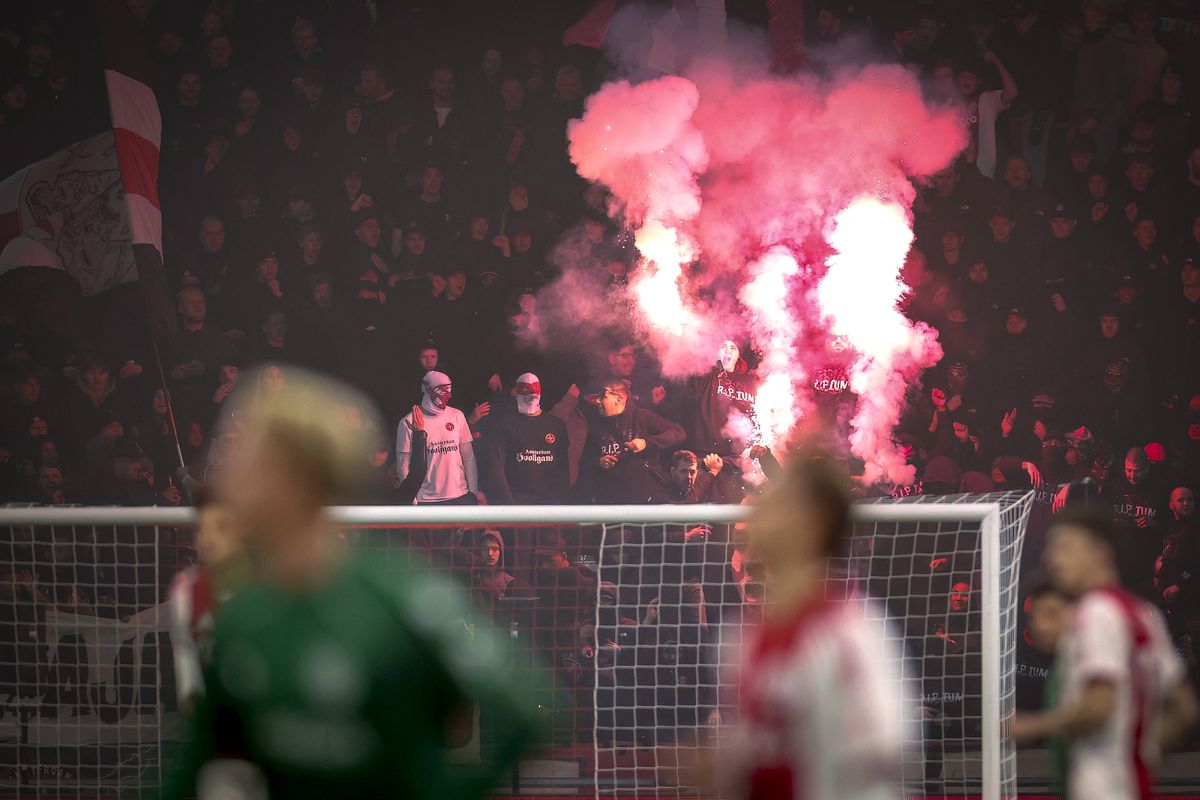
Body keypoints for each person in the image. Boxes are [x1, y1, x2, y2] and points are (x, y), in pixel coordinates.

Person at [163, 367, 537, 800]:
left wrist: (440, 789)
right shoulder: (246, 612)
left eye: (251, 460)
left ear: (293, 478)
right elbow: (199, 758)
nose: (234, 475)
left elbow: (524, 708)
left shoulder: (399, 597)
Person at [715, 457, 902, 799]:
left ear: (812, 527)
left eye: (777, 507)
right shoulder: (743, 635)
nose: (760, 518)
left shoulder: (852, 631)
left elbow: (881, 746)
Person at [1013, 509, 1199, 800]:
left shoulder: (1096, 612)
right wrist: (1134, 755)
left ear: (1099, 551)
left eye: (1064, 547)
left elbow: (1100, 706)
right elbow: (1186, 709)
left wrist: (1031, 725)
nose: (1051, 558)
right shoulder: (1142, 613)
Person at [167, 485, 247, 712]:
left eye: (221, 528)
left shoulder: (271, 585)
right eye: (202, 529)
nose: (208, 540)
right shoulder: (185, 590)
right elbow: (187, 667)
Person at [395, 370, 479, 505]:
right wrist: (412, 498)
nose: (448, 395)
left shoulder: (457, 415)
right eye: (443, 391)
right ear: (428, 389)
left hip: (460, 495)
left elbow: (468, 457)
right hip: (426, 499)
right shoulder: (408, 422)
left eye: (449, 390)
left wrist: (473, 492)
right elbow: (403, 464)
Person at [485, 372, 568, 505]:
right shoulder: (505, 425)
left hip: (550, 503)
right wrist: (509, 504)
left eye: (533, 395)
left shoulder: (556, 425)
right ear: (516, 394)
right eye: (525, 394)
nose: (529, 398)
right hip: (517, 501)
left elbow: (563, 468)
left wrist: (560, 501)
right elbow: (496, 467)